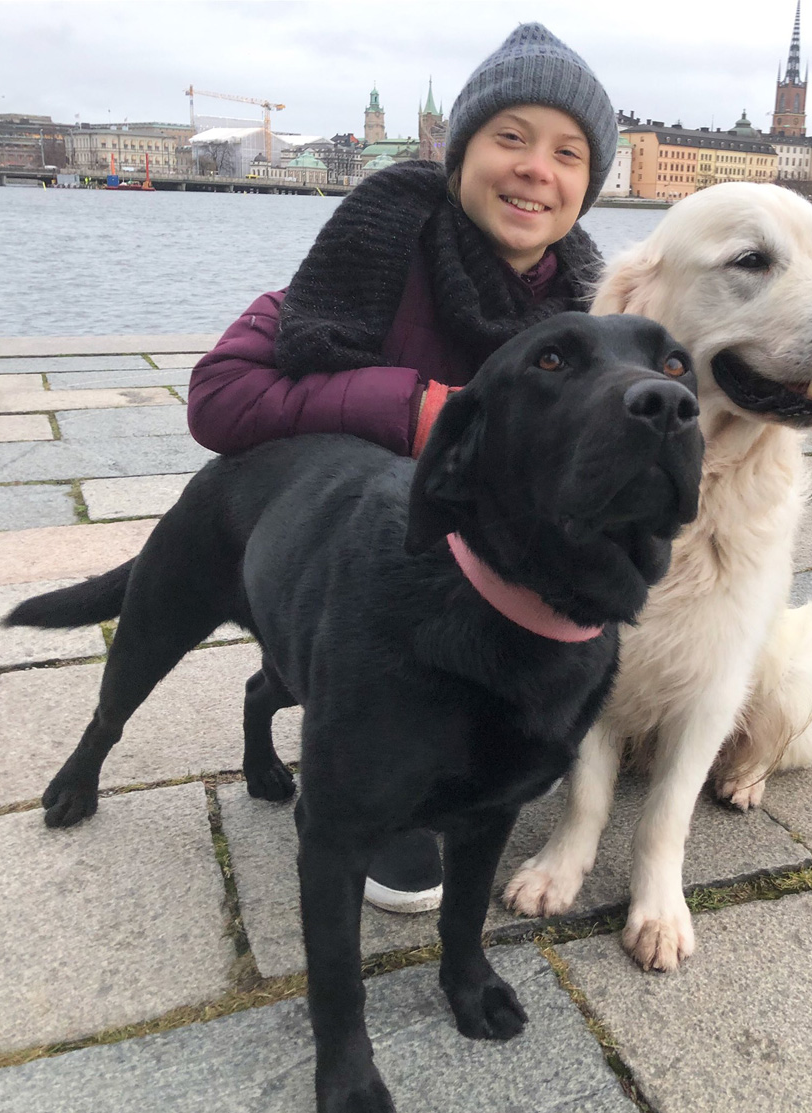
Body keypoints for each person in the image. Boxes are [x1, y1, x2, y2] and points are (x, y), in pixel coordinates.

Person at [188, 22, 618, 913]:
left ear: (587, 184)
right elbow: (220, 396)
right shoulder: (371, 252)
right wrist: (416, 408)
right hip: (363, 581)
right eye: (511, 137)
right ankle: (365, 758)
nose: (538, 168)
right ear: (458, 154)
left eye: (568, 152)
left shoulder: (591, 309)